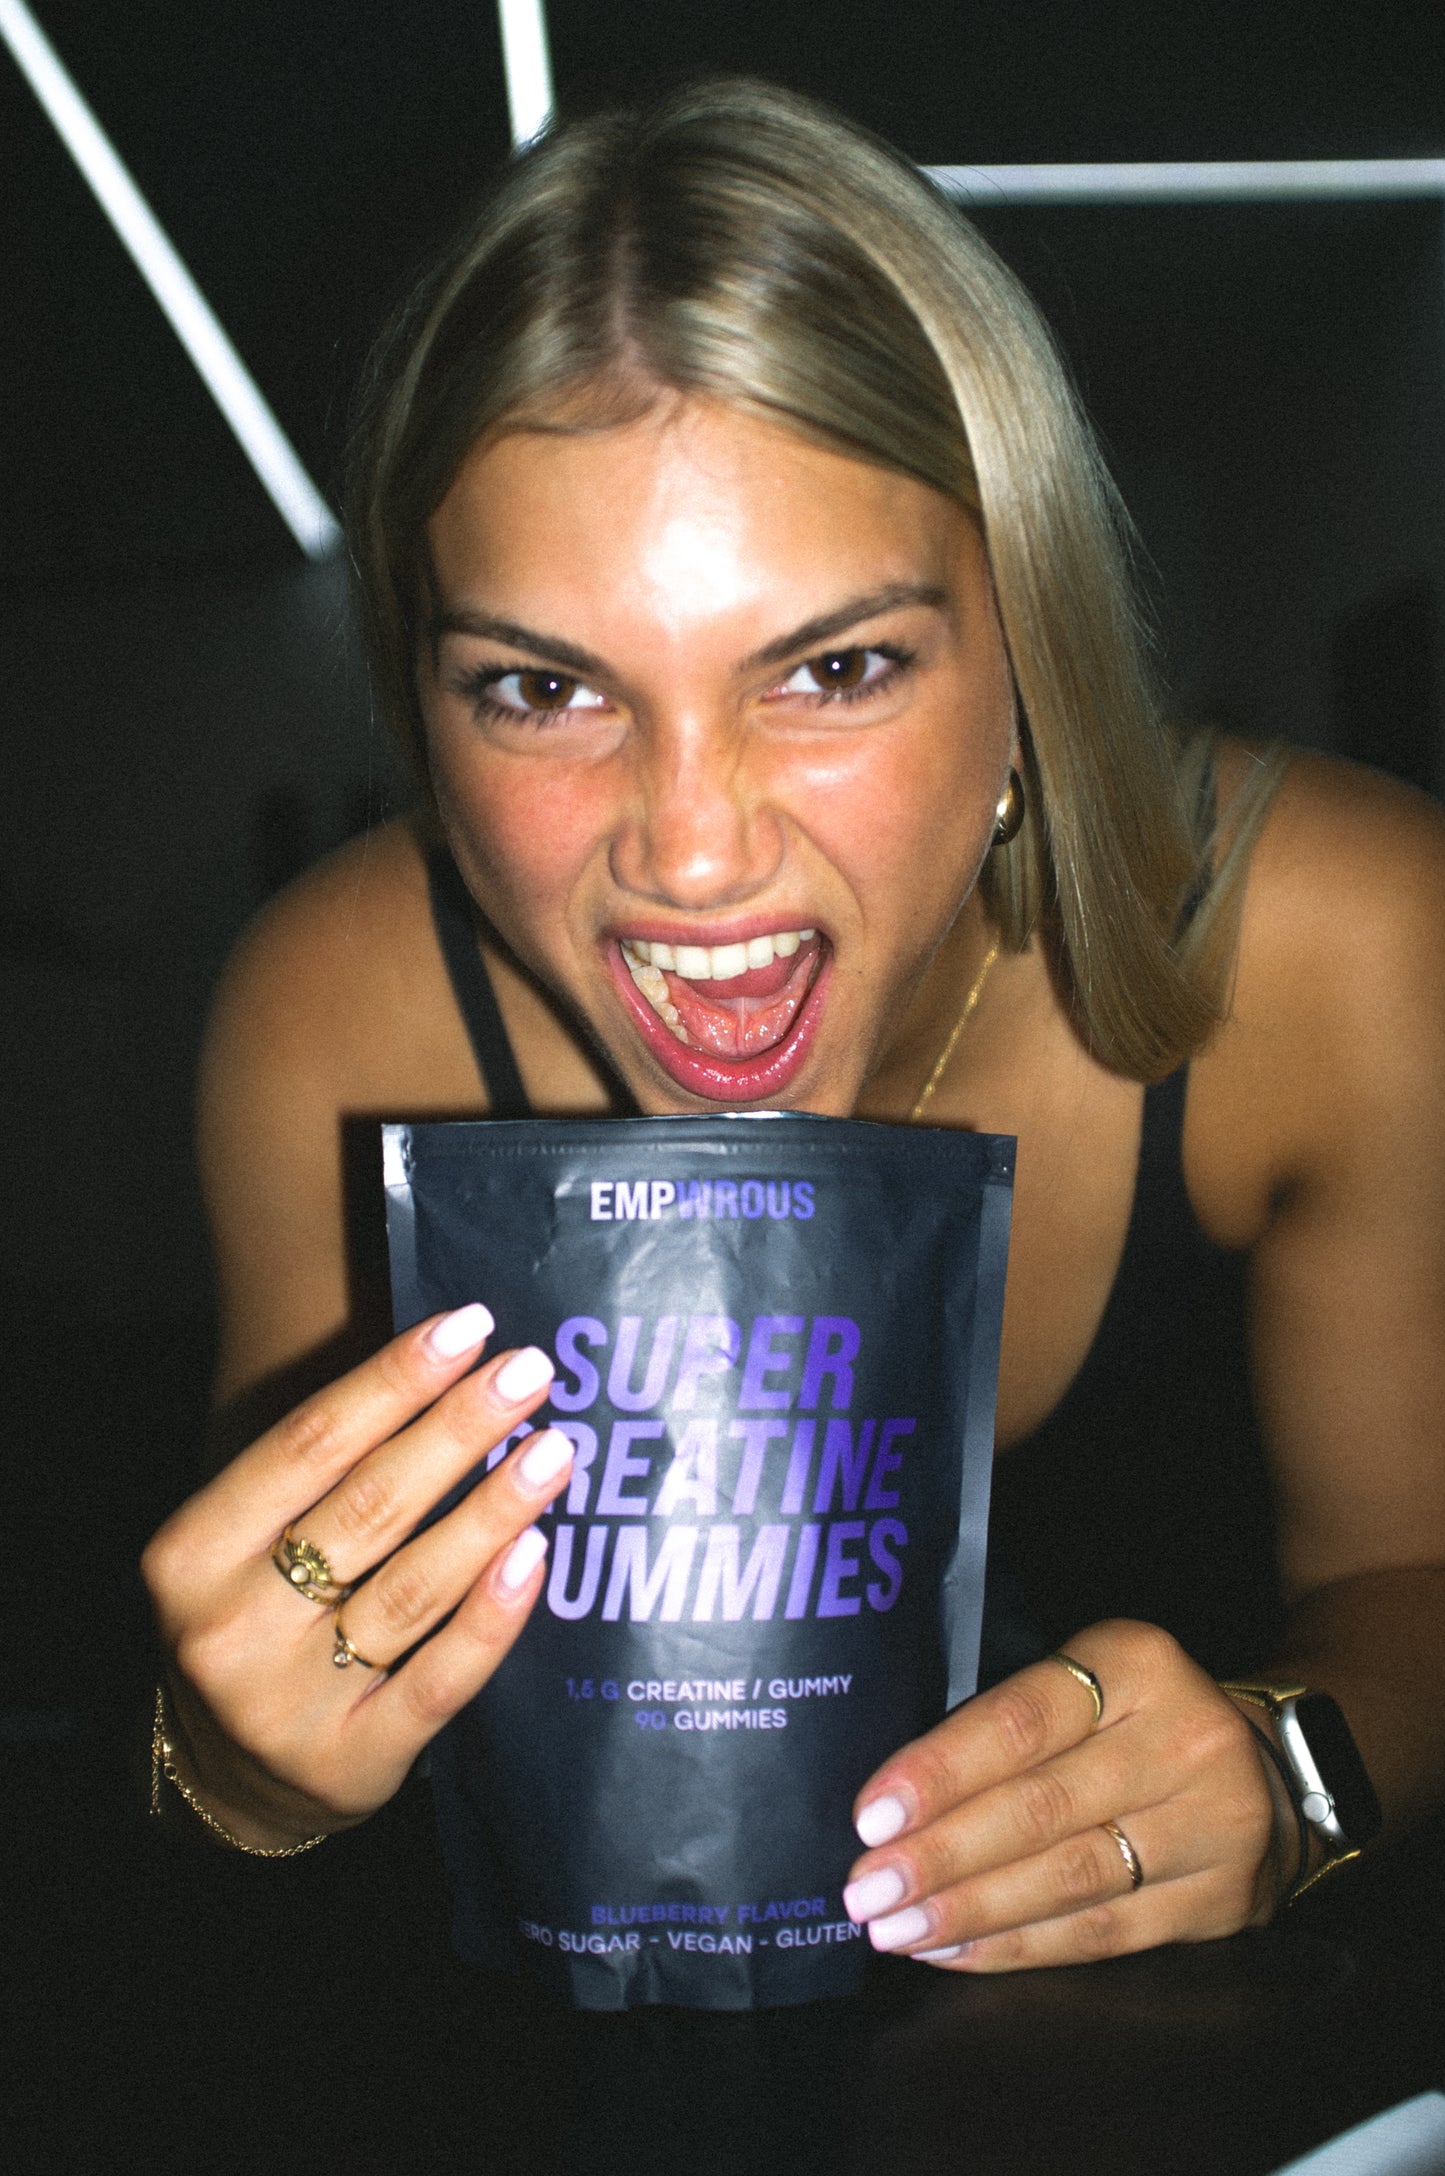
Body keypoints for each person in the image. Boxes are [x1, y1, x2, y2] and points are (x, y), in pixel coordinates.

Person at [143, 78, 1445, 1975]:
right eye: (541, 690)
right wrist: (235, 1771)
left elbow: (1410, 1576)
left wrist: (1288, 1770)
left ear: (1032, 653)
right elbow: (266, 1714)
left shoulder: (1343, 947)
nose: (690, 850)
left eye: (833, 668)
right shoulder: (330, 1022)